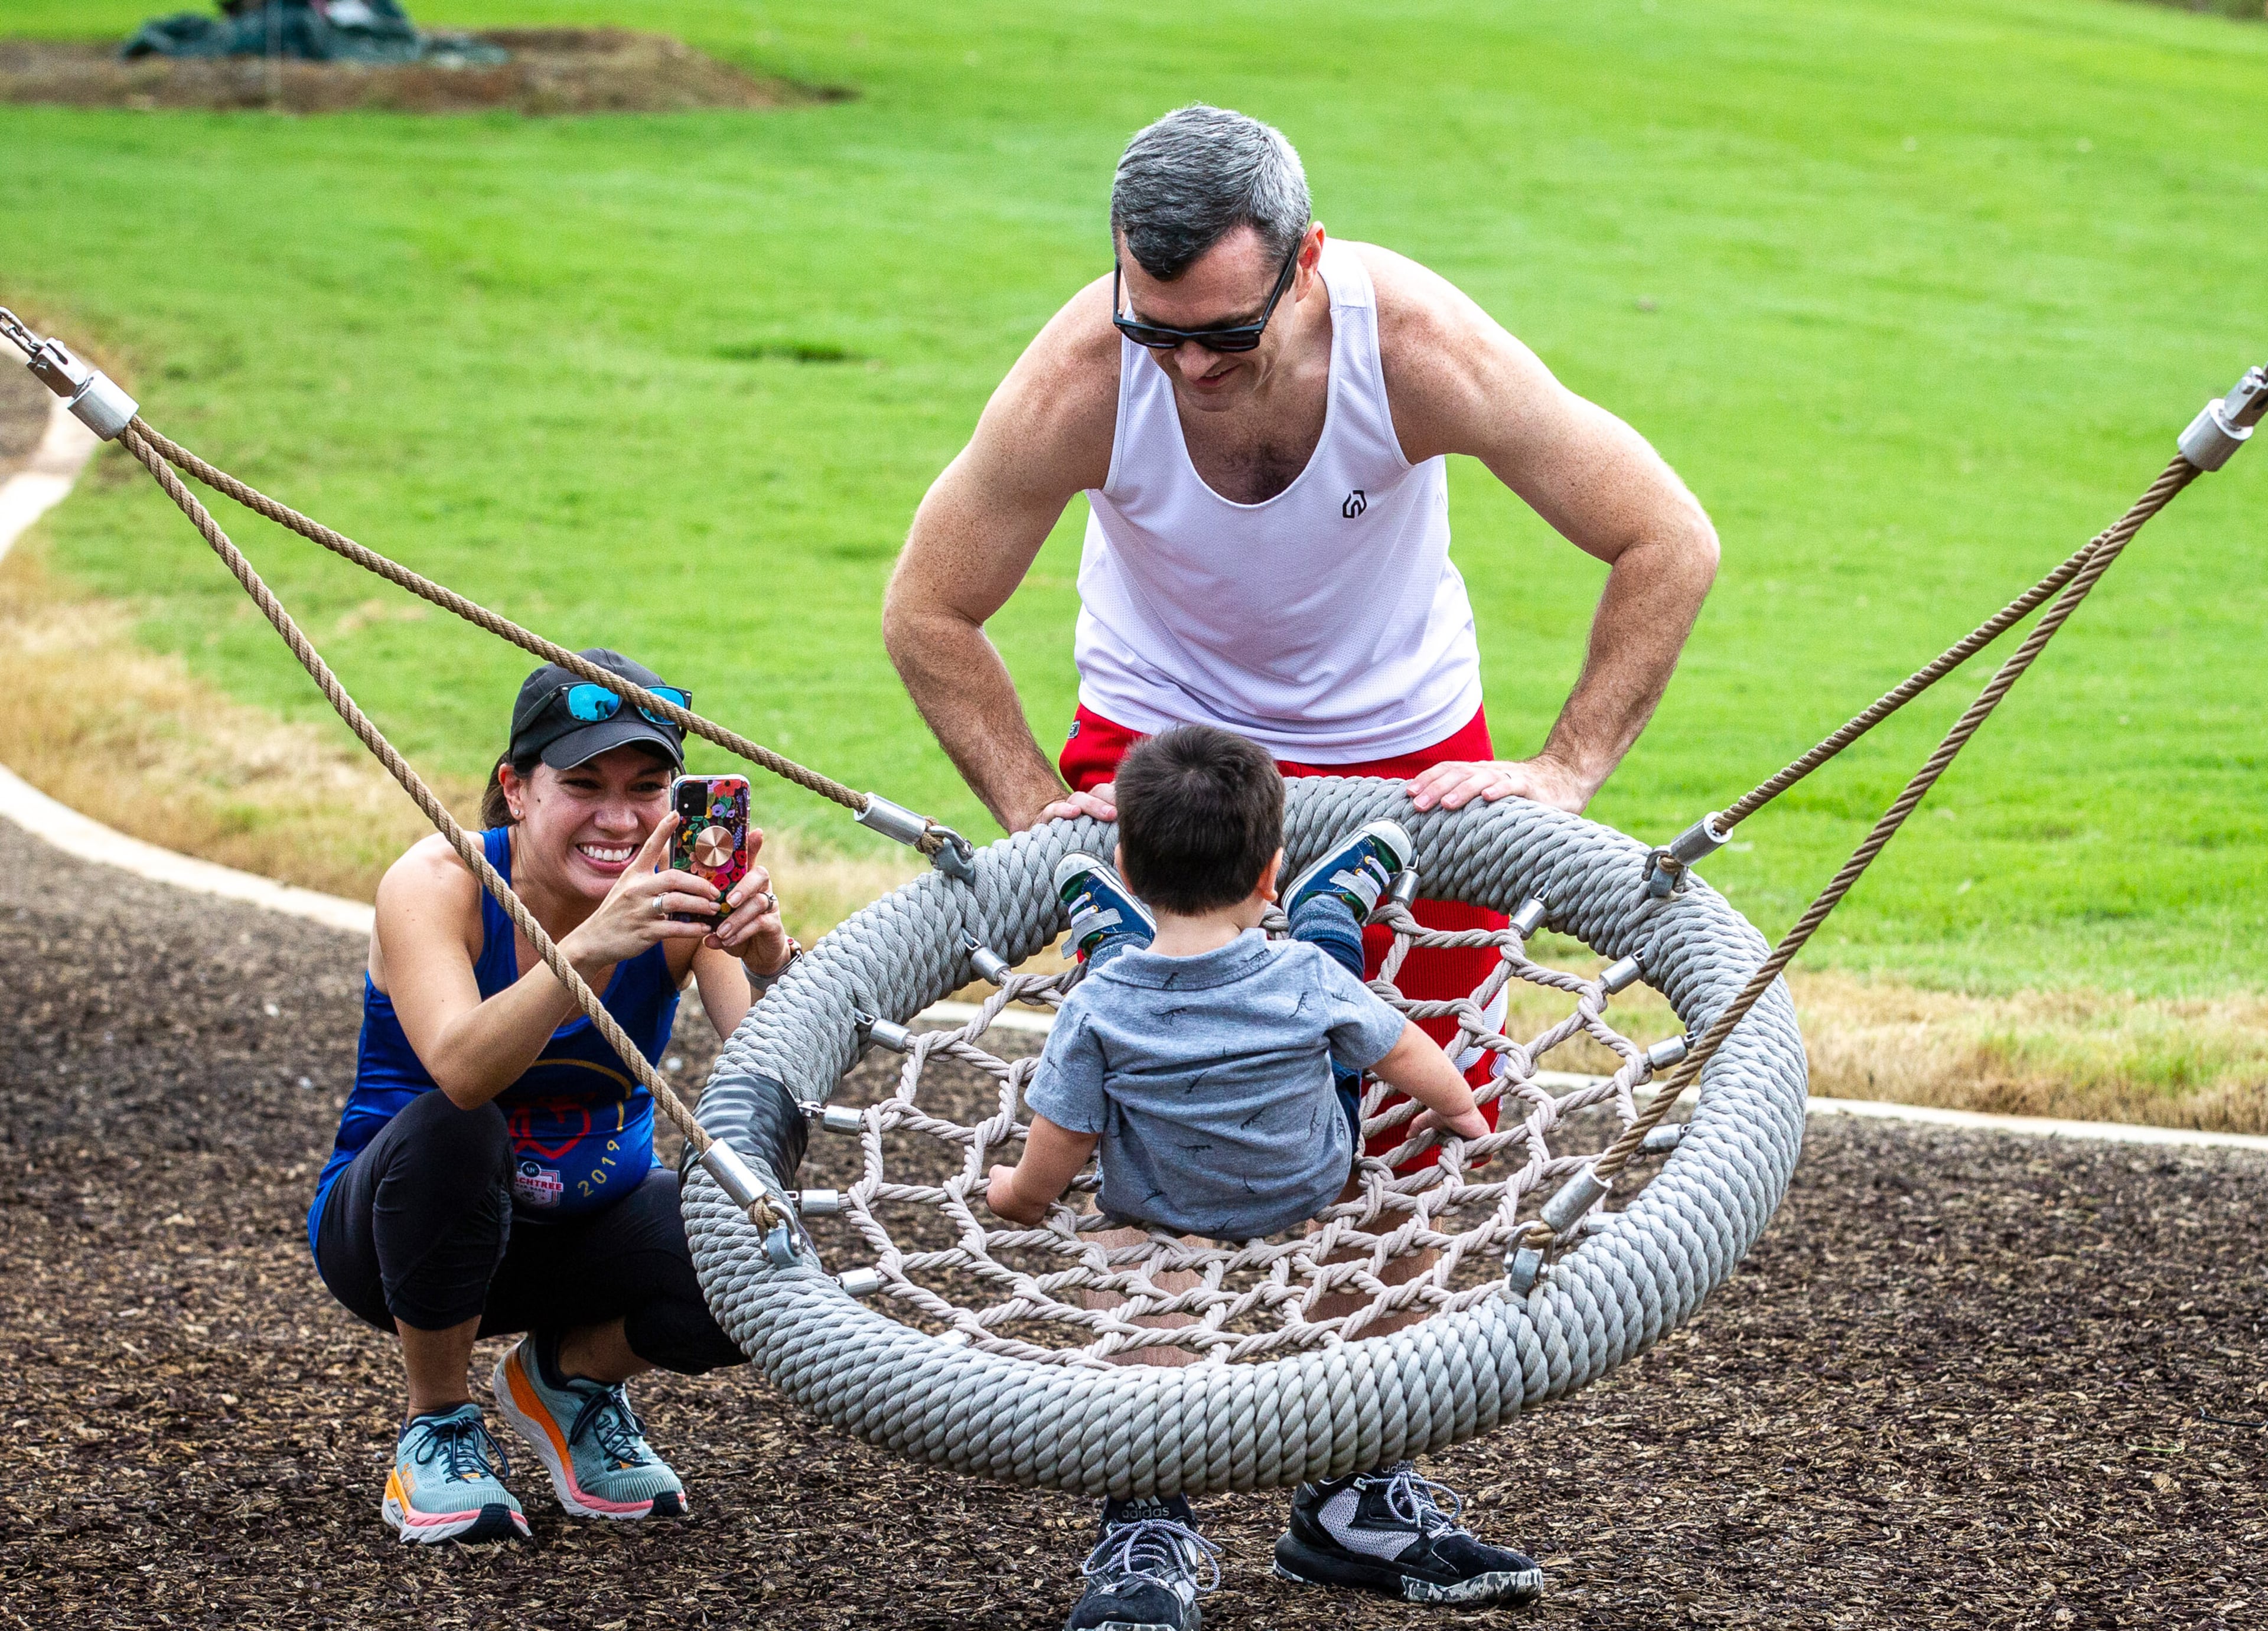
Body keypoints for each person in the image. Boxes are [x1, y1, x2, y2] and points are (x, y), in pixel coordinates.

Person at [884, 104, 1718, 1623]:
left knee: (1404, 1119)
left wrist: (1562, 773)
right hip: (1167, 763)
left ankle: (1353, 1480)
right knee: (1154, 1114)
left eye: (1224, 334)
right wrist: (1031, 811)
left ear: (1307, 264)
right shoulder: (1088, 377)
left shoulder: (1416, 347)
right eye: (1161, 332)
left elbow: (1665, 535)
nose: (1188, 367)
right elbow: (928, 610)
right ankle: (1146, 1506)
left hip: (1407, 752)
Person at [307, 649, 800, 1544]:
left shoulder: (686, 901)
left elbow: (781, 1077)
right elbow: (462, 1068)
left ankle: (567, 1384)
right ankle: (439, 1423)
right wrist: (599, 945)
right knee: (457, 1129)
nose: (618, 817)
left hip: (583, 1232)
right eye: (584, 783)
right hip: (394, 1235)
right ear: (518, 788)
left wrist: (771, 962)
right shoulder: (437, 883)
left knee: (755, 1232)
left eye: (649, 787)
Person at [984, 725, 1488, 1242]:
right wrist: (1460, 1109)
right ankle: (1326, 910)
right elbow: (1400, 1049)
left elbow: (1070, 1128)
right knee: (1337, 1011)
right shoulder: (1305, 973)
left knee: (1116, 1002)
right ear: (1270, 876)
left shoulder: (1094, 1007)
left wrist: (1022, 1197)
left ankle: (1119, 943)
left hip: (1161, 1201)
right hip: (1311, 1183)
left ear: (1126, 873)